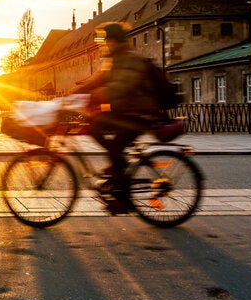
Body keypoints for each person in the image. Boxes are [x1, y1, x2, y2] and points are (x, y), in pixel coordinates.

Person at [72, 22, 174, 214]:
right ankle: (119, 171)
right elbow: (100, 78)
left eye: (104, 40)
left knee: (102, 133)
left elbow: (121, 86)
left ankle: (123, 195)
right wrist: (76, 91)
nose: (103, 44)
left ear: (112, 41)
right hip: (127, 111)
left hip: (141, 114)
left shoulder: (130, 59)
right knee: (96, 128)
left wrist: (94, 96)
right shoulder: (116, 59)